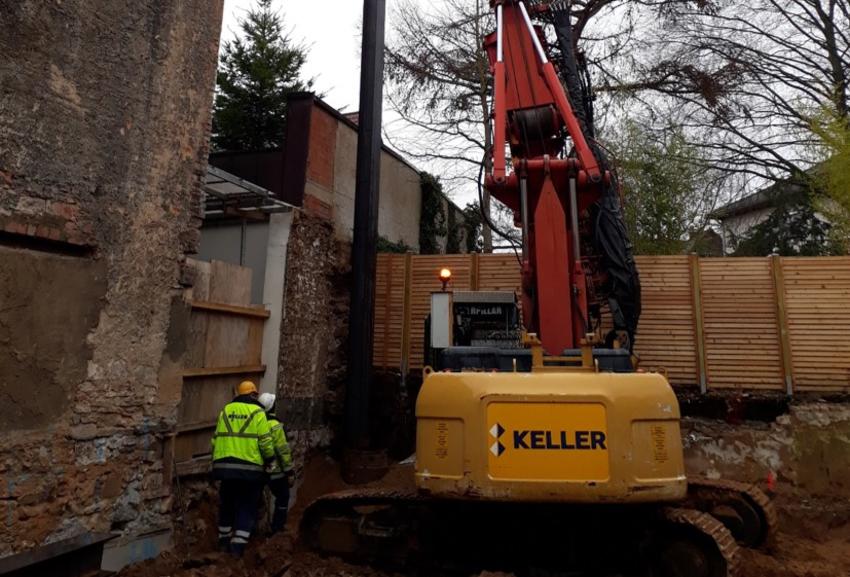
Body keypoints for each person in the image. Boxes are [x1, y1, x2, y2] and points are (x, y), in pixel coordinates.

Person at [210, 380, 275, 557]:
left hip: (224, 467)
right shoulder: (257, 412)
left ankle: (223, 541)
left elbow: (215, 439)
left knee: (227, 503)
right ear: (254, 395)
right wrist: (270, 459)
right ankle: (237, 547)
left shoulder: (226, 410)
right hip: (250, 468)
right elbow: (265, 441)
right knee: (247, 505)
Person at [258, 392, 293, 533]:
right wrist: (289, 470)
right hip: (276, 470)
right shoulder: (275, 425)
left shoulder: (257, 423)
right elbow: (282, 449)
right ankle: (277, 529)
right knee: (283, 497)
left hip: (258, 469)